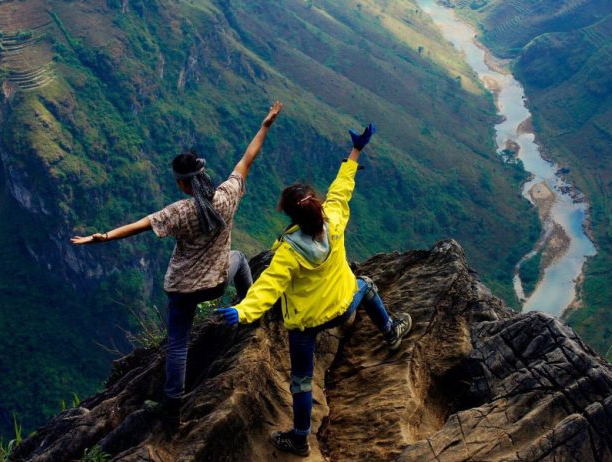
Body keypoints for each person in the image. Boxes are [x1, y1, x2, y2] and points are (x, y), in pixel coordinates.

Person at [71, 101, 284, 425]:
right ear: (203, 175)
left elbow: (141, 224)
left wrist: (103, 236)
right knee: (239, 259)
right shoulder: (226, 197)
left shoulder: (180, 212)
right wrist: (265, 124)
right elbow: (247, 159)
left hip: (182, 289)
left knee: (178, 345)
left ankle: (173, 405)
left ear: (183, 184)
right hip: (215, 284)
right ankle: (250, 309)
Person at [215, 122, 412, 457]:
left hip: (307, 325)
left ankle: (300, 438)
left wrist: (240, 311)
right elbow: (341, 190)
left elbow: (266, 290)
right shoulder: (333, 220)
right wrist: (355, 152)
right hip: (343, 306)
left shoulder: (289, 252)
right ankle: (391, 331)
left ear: (291, 215)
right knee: (366, 285)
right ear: (316, 205)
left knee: (302, 381)